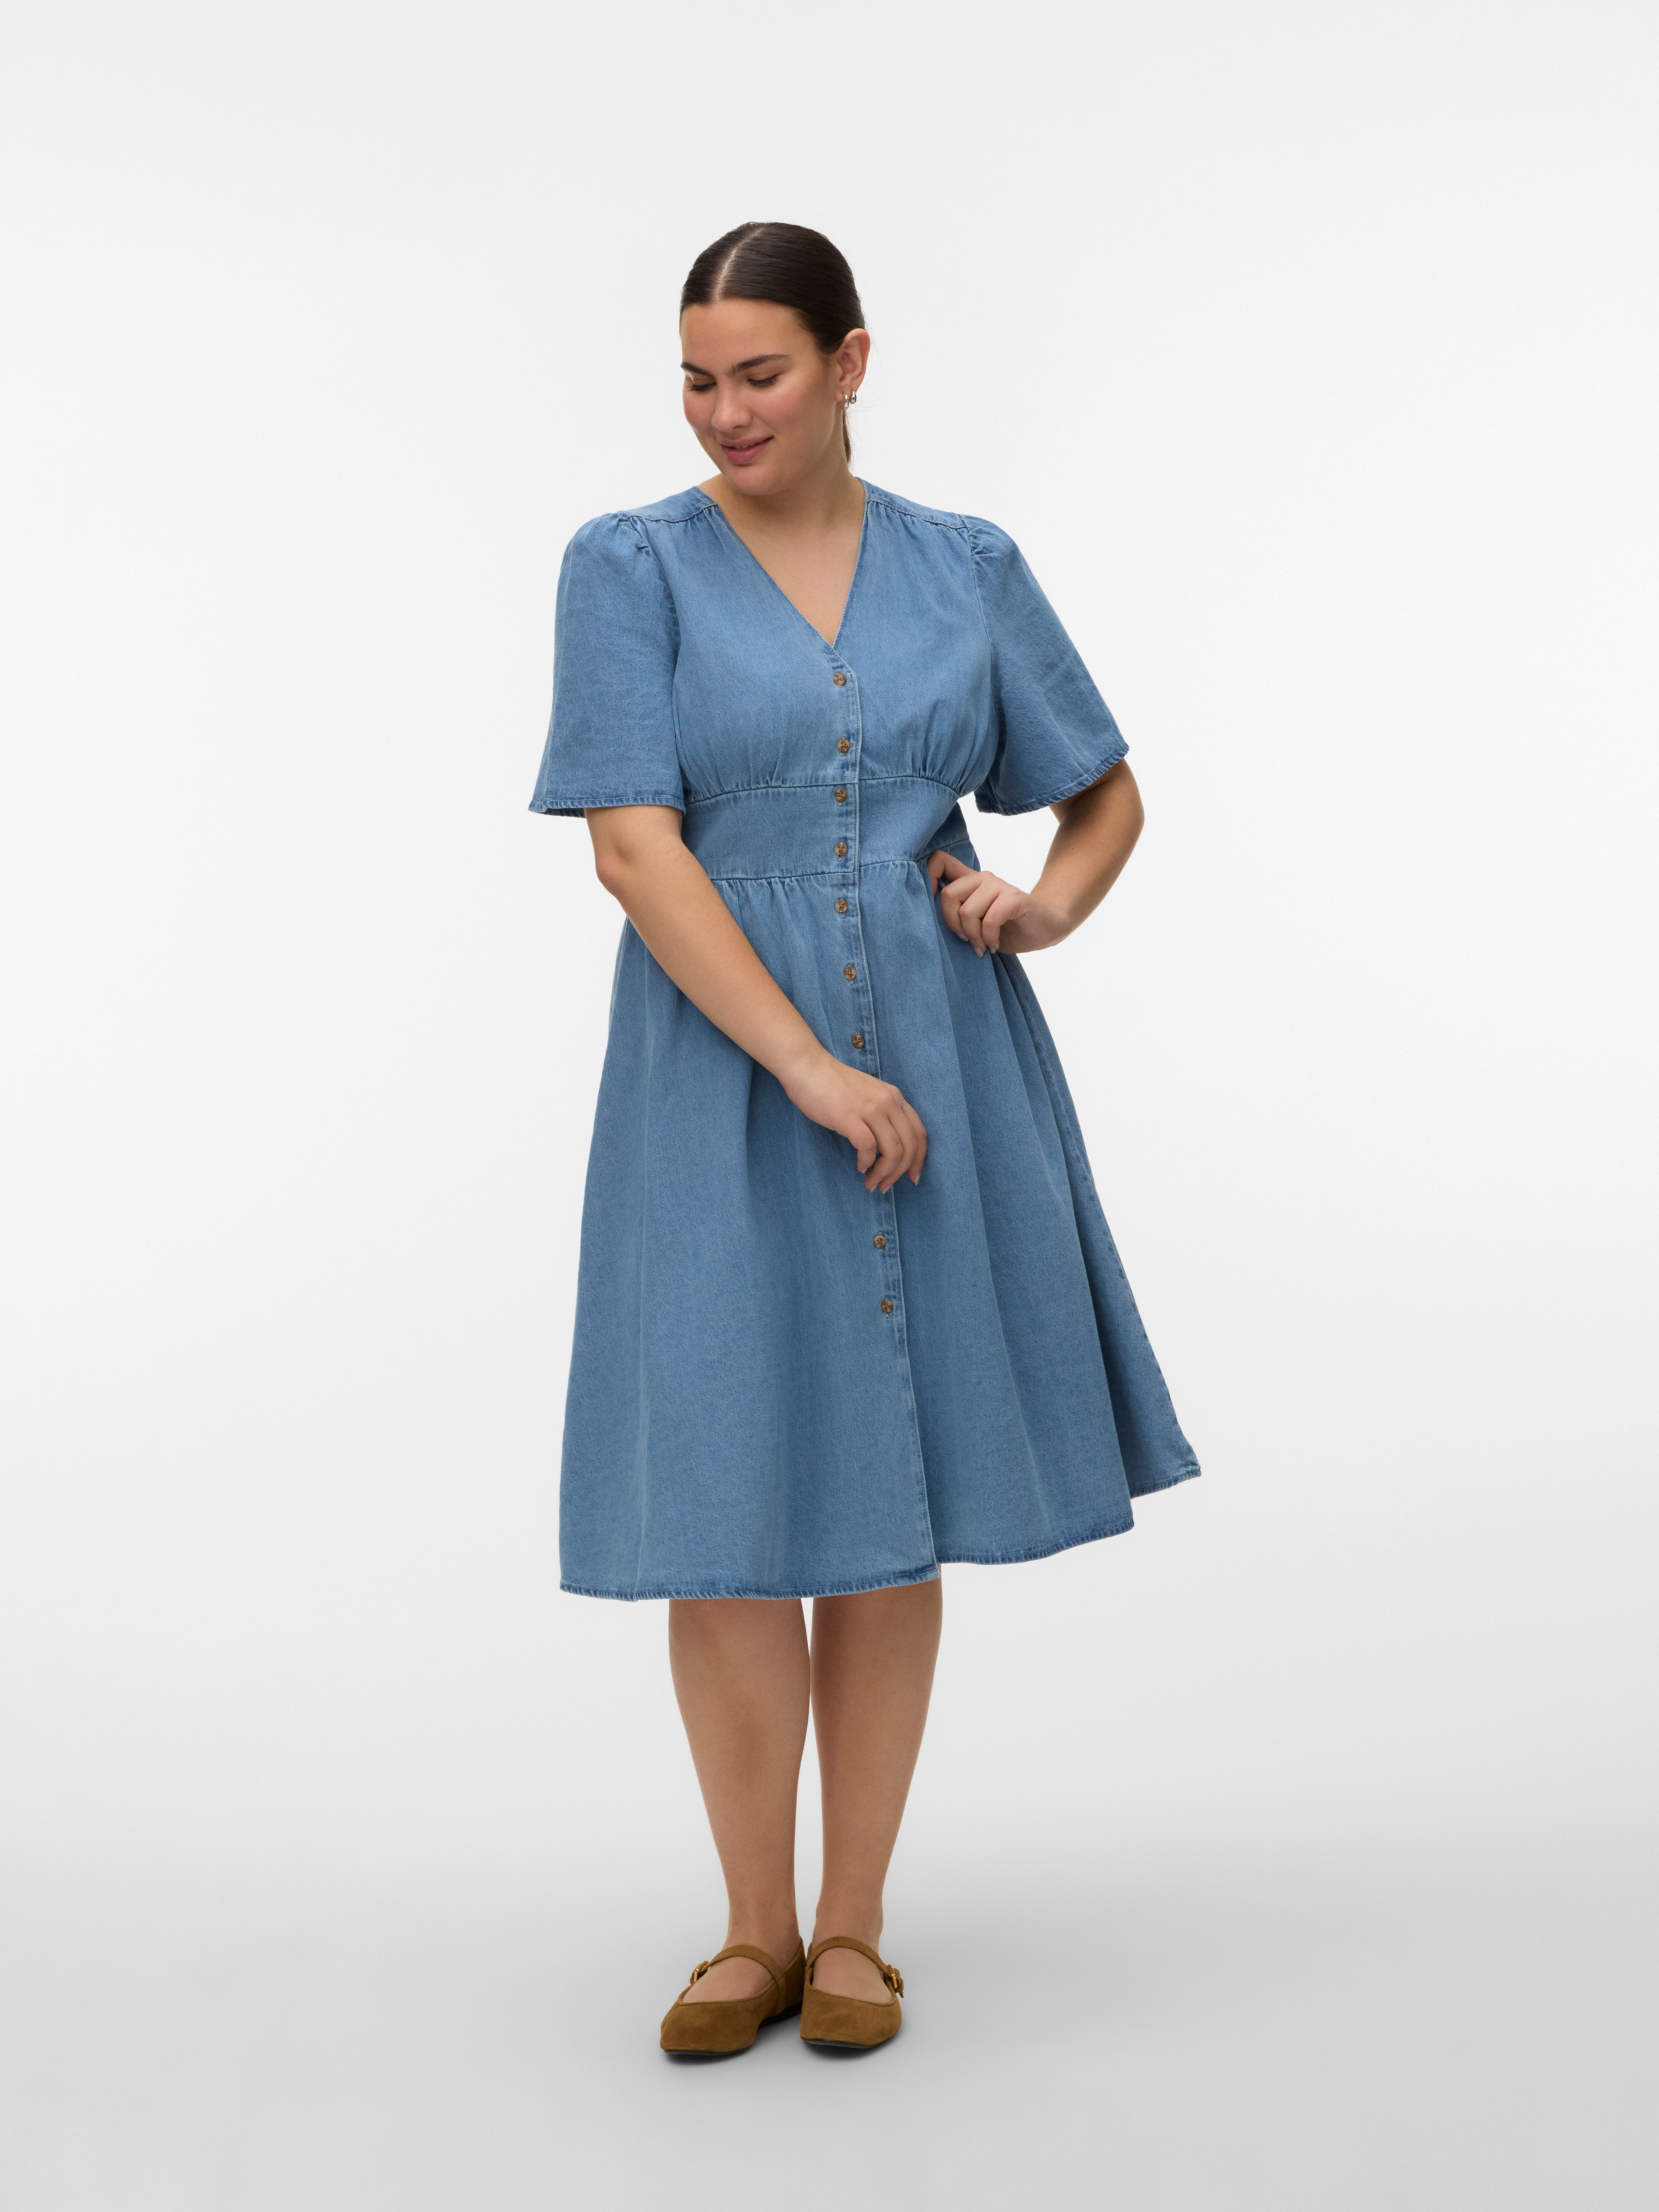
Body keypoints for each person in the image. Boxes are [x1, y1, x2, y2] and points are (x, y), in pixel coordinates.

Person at [530, 222, 1199, 2056]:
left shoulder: (964, 564)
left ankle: (852, 1929)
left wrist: (1043, 909)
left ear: (849, 363)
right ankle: (747, 1931)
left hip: (944, 1058)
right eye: (695, 378)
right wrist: (809, 1067)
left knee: (890, 1488)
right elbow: (632, 848)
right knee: (727, 1486)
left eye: (759, 373)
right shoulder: (627, 565)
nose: (721, 411)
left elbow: (1102, 790)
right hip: (719, 1073)